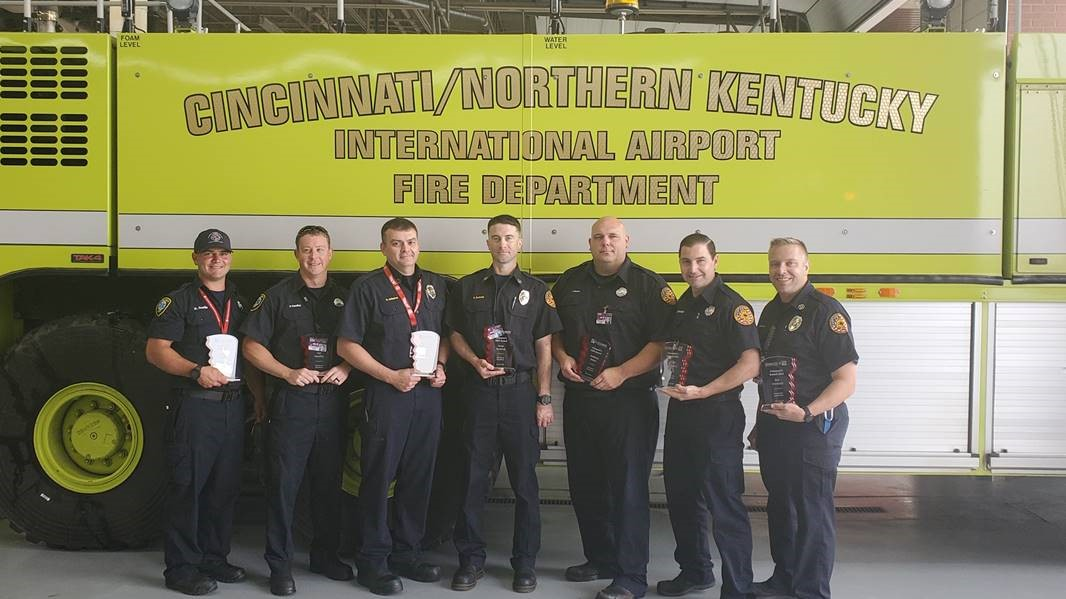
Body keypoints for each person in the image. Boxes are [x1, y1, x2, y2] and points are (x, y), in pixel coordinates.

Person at [549, 216, 674, 599]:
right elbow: (553, 332)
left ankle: (631, 576)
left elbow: (661, 343)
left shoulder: (650, 286)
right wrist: (562, 357)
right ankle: (600, 558)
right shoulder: (569, 282)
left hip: (629, 403)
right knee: (585, 485)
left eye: (613, 237)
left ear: (626, 241)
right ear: (590, 242)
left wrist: (622, 372)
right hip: (581, 400)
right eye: (599, 237)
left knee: (628, 489)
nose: (606, 243)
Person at [446, 215, 561, 593]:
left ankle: (524, 564)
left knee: (525, 484)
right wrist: (472, 360)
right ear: (488, 242)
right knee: (472, 481)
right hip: (478, 394)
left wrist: (544, 397)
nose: (503, 244)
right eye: (496, 238)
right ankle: (470, 560)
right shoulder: (466, 288)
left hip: (519, 394)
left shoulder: (537, 289)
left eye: (509, 238)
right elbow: (455, 334)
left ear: (520, 242)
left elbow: (544, 347)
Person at [337, 217, 449, 596]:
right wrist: (390, 376)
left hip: (428, 397)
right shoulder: (367, 288)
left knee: (419, 476)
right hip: (387, 395)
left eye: (411, 242)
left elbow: (447, 336)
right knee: (378, 478)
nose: (406, 250)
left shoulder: (435, 286)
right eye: (397, 243)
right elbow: (347, 346)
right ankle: (372, 560)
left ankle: (407, 552)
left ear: (419, 245)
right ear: (383, 248)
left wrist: (442, 367)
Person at [241, 225, 353, 596]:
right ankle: (280, 565)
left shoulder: (345, 299)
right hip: (294, 402)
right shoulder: (276, 297)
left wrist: (347, 368)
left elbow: (360, 343)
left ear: (331, 253)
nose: (314, 257)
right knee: (284, 487)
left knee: (328, 486)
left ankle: (325, 556)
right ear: (296, 254)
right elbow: (251, 347)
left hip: (333, 402)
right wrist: (287, 372)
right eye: (307, 250)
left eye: (320, 249)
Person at [146, 228, 259, 596]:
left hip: (232, 408)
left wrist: (260, 400)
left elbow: (250, 357)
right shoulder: (178, 301)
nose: (216, 259)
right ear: (195, 258)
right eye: (208, 253)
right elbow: (156, 350)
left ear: (231, 257)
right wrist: (195, 371)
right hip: (195, 407)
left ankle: (214, 557)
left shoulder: (241, 304)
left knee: (223, 489)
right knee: (188, 488)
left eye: (222, 253)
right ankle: (181, 568)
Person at [752, 238, 858, 599]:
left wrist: (808, 412)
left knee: (812, 513)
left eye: (790, 263)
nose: (781, 271)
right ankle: (785, 578)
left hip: (814, 428)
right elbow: (767, 374)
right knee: (781, 507)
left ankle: (811, 591)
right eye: (774, 264)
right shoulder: (769, 313)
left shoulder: (826, 311)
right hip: (776, 429)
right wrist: (759, 423)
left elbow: (846, 380)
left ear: (806, 266)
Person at [656, 233, 759, 598]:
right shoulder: (683, 303)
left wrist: (705, 391)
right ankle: (696, 571)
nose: (693, 268)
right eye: (686, 261)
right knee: (682, 496)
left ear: (715, 261)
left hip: (717, 415)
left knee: (724, 502)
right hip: (683, 413)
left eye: (700, 260)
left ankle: (738, 586)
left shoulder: (734, 306)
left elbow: (750, 363)